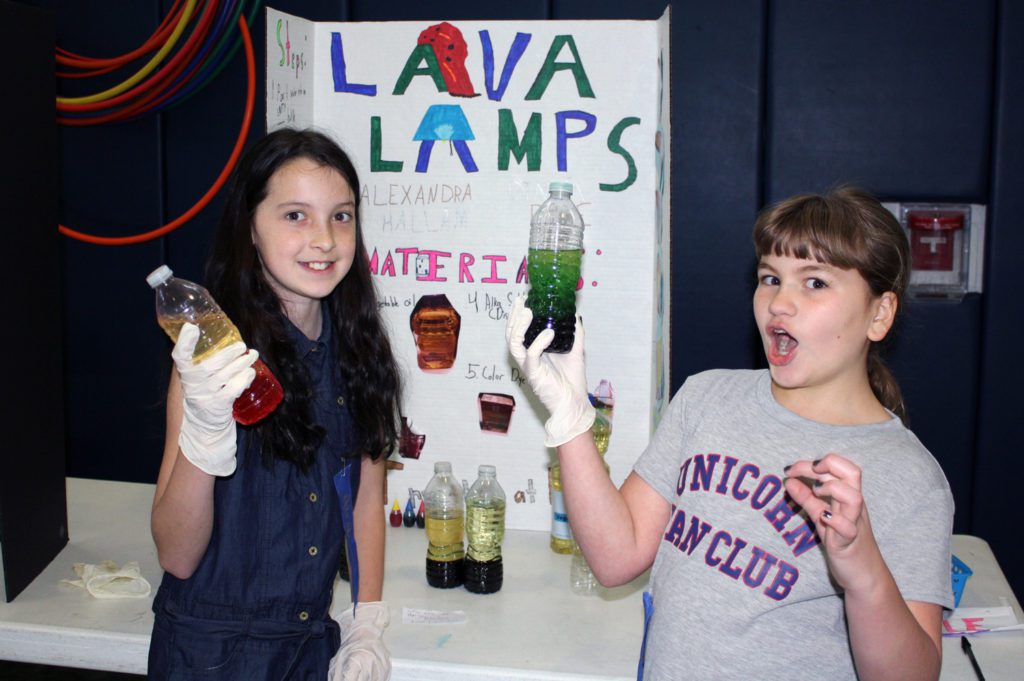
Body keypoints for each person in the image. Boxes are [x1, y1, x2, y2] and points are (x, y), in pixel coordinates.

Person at [507, 186, 954, 680]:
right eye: (770, 278)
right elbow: (615, 557)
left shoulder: (909, 477)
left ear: (879, 314)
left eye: (815, 283)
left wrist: (864, 573)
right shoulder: (706, 399)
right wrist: (571, 418)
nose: (779, 303)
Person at [149, 128, 402, 681]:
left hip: (311, 649)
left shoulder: (358, 346)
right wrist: (205, 431)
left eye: (341, 215)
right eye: (295, 216)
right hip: (209, 654)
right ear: (251, 229)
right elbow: (176, 554)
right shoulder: (213, 360)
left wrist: (367, 620)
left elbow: (365, 497)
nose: (325, 240)